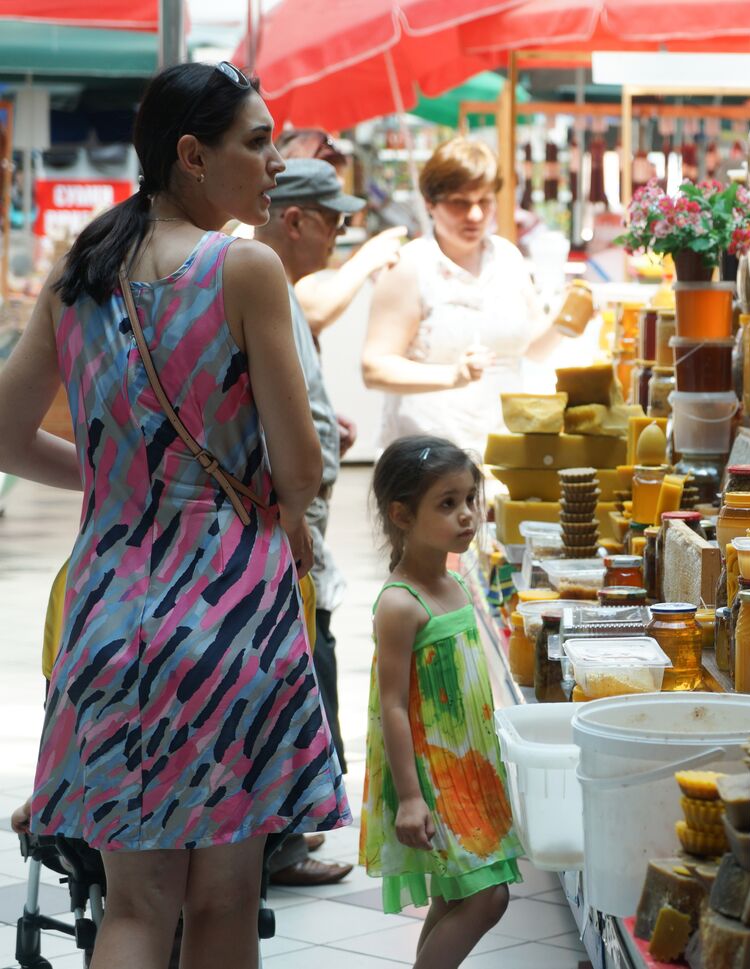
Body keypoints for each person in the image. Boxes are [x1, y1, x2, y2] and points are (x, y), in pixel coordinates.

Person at [0, 62, 349, 969]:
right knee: (224, 897)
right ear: (193, 155)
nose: (275, 162)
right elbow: (301, 464)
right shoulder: (244, 267)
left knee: (133, 904)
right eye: (259, 141)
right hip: (232, 617)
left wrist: (121, 481)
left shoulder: (83, 268)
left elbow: (5, 437)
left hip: (107, 611)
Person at [360, 436, 521, 969]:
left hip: (470, 769)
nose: (467, 515)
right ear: (402, 515)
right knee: (486, 896)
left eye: (470, 499)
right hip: (435, 777)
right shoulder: (401, 604)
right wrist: (410, 798)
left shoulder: (452, 581)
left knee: (457, 895)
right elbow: (393, 708)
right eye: (447, 504)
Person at [255, 157, 364, 887]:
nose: (340, 237)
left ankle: (288, 838)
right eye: (335, 222)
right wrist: (292, 510)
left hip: (296, 525)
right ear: (296, 218)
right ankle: (280, 841)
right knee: (301, 674)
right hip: (286, 532)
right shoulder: (256, 277)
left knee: (308, 673)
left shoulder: (272, 283)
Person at [363, 138, 579, 458]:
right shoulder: (410, 266)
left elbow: (533, 347)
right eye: (459, 202)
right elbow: (375, 368)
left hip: (501, 452)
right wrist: (452, 375)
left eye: (485, 201)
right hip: (427, 459)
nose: (475, 214)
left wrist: (568, 317)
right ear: (430, 203)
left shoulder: (507, 257)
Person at [278, 127, 409, 337]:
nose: (339, 229)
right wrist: (367, 259)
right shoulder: (261, 248)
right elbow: (315, 312)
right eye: (329, 211)